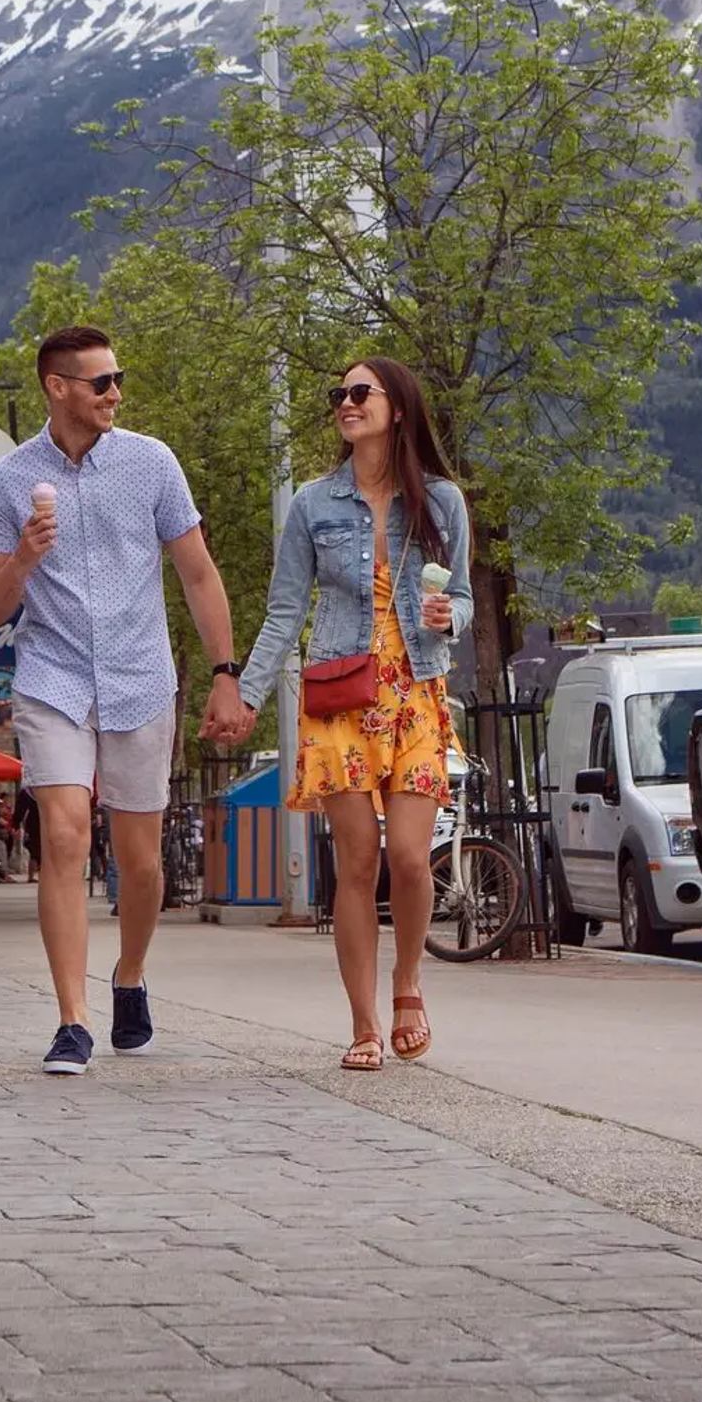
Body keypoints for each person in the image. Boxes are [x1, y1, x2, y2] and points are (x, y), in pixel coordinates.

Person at [0, 325, 244, 1073]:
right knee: (62, 831)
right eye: (102, 382)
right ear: (58, 387)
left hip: (140, 674)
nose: (116, 392)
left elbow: (196, 572)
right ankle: (72, 1019)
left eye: (117, 379)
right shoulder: (8, 483)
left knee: (140, 858)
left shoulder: (152, 462)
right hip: (53, 674)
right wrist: (24, 556)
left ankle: (129, 976)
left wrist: (225, 671)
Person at [226, 356, 473, 1071]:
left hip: (415, 689)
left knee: (408, 857)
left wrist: (445, 616)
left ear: (397, 407)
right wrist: (245, 691)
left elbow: (460, 599)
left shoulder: (440, 500)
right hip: (340, 696)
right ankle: (363, 1023)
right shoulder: (312, 504)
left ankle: (408, 984)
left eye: (361, 392)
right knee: (358, 861)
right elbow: (283, 612)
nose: (346, 402)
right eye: (340, 393)